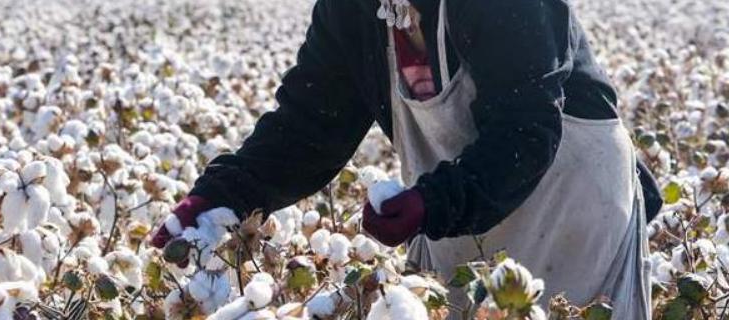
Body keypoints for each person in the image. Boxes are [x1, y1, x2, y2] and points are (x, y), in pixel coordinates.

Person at [152, 0, 663, 317]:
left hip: (572, 204)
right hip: (460, 213)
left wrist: (434, 203)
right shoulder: (352, 9)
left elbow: (526, 128)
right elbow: (309, 124)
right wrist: (219, 197)